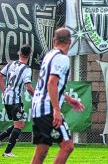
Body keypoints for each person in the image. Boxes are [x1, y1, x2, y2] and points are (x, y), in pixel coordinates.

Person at [30, 28, 85, 164]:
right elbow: (51, 83)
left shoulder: (49, 55)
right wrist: (57, 110)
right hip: (48, 109)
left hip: (37, 108)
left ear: (54, 41)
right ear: (70, 42)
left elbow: (47, 84)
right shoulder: (62, 58)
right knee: (67, 146)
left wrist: (68, 98)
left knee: (41, 151)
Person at [0, 44, 35, 157]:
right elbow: (29, 87)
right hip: (15, 99)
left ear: (19, 53)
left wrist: (4, 91)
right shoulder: (26, 69)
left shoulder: (11, 64)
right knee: (18, 125)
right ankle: (7, 152)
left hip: (7, 98)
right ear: (29, 55)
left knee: (20, 123)